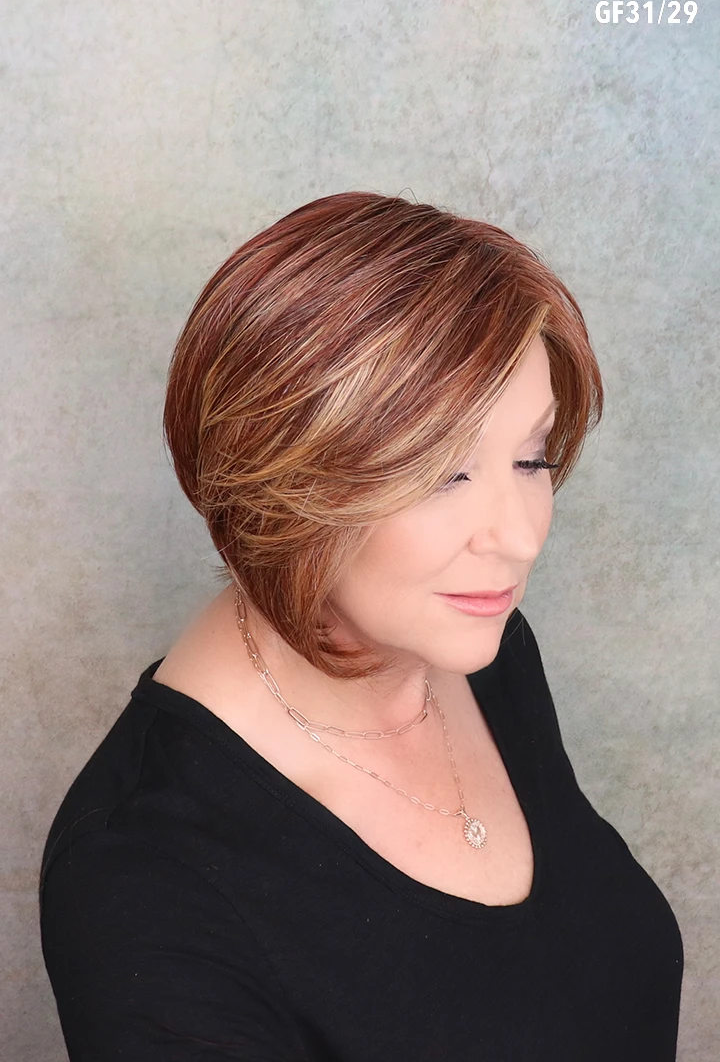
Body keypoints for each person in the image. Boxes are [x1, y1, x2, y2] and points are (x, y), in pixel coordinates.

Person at [38, 191, 684, 1060]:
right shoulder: (147, 881)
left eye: (531, 458)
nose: (521, 536)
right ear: (285, 476)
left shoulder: (475, 642)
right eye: (444, 473)